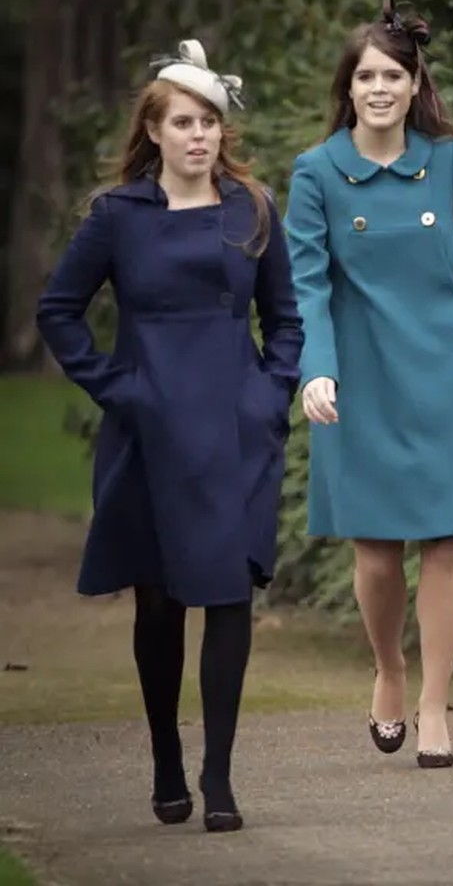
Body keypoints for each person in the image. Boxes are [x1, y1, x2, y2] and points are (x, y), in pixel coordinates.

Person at [36, 40, 303, 830]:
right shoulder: (118, 218)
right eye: (183, 122)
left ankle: (219, 777)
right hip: (150, 429)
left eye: (209, 123)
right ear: (154, 130)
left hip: (235, 428)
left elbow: (285, 316)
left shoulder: (250, 209)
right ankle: (165, 761)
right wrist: (118, 388)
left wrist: (270, 392)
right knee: (158, 607)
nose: (199, 136)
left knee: (228, 597)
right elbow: (58, 310)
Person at [284, 0, 453, 769]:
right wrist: (316, 367)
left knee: (445, 545)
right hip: (361, 381)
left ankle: (433, 707)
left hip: (449, 377)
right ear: (347, 89)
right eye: (366, 76)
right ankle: (389, 670)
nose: (380, 88)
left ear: (415, 82)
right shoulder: (317, 173)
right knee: (378, 553)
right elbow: (307, 285)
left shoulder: (447, 161)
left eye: (393, 74)